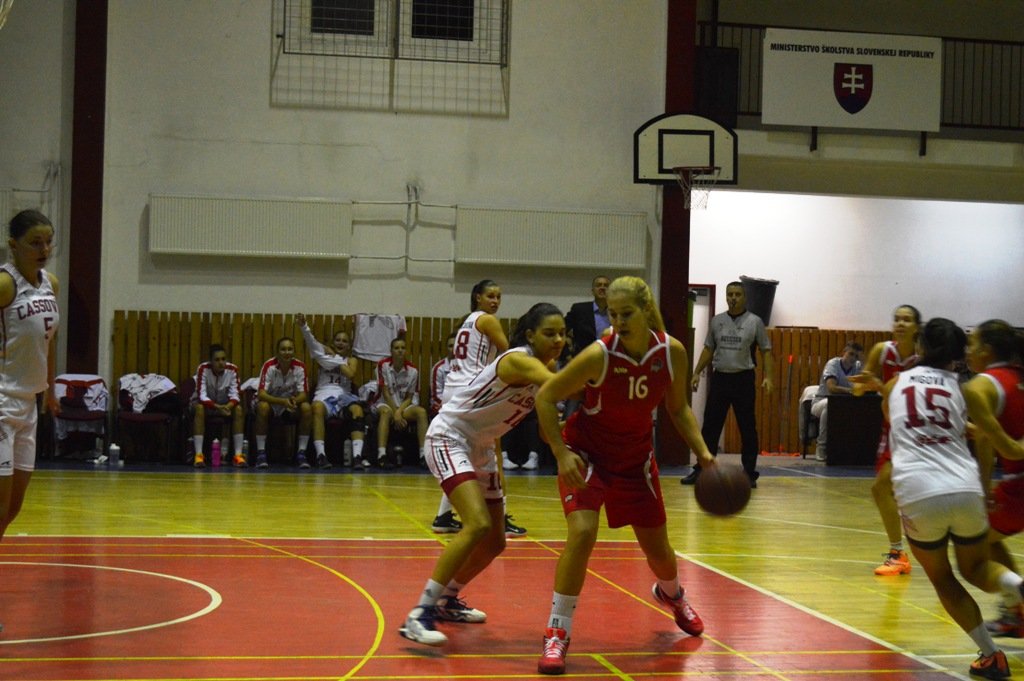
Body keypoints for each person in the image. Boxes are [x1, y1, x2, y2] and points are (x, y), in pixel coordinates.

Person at [533, 276, 716, 676]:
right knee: (582, 533)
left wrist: (703, 454)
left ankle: (672, 595)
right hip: (588, 453)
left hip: (634, 459)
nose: (618, 321)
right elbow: (546, 397)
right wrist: (561, 454)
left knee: (659, 552)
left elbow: (679, 408)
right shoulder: (600, 353)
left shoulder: (672, 352)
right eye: (612, 314)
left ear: (647, 310)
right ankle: (557, 632)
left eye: (626, 313)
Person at [398, 303, 566, 647]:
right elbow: (562, 385)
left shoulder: (545, 371)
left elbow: (550, 434)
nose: (559, 339)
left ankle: (447, 599)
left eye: (563, 333)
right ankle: (419, 613)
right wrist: (606, 371)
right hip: (451, 435)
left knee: (495, 542)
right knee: (476, 524)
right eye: (550, 333)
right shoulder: (519, 360)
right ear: (530, 335)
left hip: (482, 446)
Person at [882, 317, 1024, 679]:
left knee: (944, 578)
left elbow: (896, 421)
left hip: (918, 489)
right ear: (960, 356)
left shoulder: (894, 384)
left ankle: (991, 656)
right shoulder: (965, 389)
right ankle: (1016, 586)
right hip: (964, 485)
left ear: (920, 348)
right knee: (976, 568)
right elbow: (977, 434)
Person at [430, 280, 526, 538]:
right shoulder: (487, 320)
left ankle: (443, 515)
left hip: (455, 387)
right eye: (490, 296)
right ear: (477, 298)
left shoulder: (467, 321)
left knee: (466, 455)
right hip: (470, 390)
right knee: (491, 451)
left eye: (498, 297)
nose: (495, 301)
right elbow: (509, 352)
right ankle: (501, 517)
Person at [960, 320, 1024, 637]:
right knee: (989, 536)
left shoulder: (983, 385)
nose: (968, 350)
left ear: (987, 350)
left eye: (972, 344)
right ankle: (1015, 609)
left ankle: (1016, 603)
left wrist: (983, 488)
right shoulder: (1018, 377)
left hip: (1019, 482)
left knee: (974, 549)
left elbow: (992, 443)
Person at [0, 210, 60, 548]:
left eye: (48, 241)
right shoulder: (6, 283)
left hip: (30, 404)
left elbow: (47, 338)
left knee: (13, 508)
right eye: (35, 242)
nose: (44, 248)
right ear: (14, 245)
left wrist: (49, 387)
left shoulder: (50, 284)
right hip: (2, 400)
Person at [851, 304, 921, 576]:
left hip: (922, 429)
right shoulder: (883, 350)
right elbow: (858, 389)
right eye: (897, 319)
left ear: (917, 327)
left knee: (919, 493)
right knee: (881, 488)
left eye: (907, 320)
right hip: (894, 427)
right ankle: (897, 553)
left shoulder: (924, 355)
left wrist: (880, 387)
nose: (901, 324)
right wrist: (864, 385)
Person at [684, 281, 773, 488]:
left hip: (743, 378)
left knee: (747, 427)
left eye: (737, 294)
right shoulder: (717, 321)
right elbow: (708, 349)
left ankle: (749, 472)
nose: (733, 298)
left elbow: (766, 351)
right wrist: (696, 372)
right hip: (720, 378)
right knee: (710, 427)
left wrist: (769, 377)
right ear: (726, 297)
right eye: (730, 294)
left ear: (744, 298)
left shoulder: (755, 322)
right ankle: (702, 469)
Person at [297, 314, 366, 469]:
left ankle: (357, 457)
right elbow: (311, 342)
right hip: (323, 395)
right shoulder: (322, 355)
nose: (341, 343)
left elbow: (351, 373)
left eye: (344, 341)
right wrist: (304, 327)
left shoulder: (351, 360)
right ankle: (321, 455)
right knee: (317, 407)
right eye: (338, 340)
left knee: (357, 410)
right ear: (333, 342)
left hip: (343, 397)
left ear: (349, 346)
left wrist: (335, 359)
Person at [253, 337, 312, 469]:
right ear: (277, 352)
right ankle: (261, 453)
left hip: (290, 404)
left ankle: (301, 453)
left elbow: (303, 394)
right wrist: (282, 401)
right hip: (272, 402)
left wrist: (293, 401)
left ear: (294, 352)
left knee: (307, 407)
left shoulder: (300, 366)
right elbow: (262, 394)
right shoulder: (269, 365)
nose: (287, 352)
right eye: (283, 349)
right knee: (262, 407)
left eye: (290, 349)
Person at [372, 337, 428, 468]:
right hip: (385, 402)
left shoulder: (413, 370)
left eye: (403, 348)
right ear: (391, 351)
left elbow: (409, 397)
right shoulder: (383, 365)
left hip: (404, 405)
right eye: (396, 348)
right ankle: (381, 455)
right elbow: (385, 393)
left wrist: (399, 412)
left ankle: (423, 455)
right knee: (386, 413)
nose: (400, 351)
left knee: (422, 412)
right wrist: (395, 412)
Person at [191, 344, 246, 468]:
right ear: (210, 361)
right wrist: (217, 407)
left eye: (223, 359)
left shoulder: (232, 370)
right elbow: (202, 396)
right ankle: (199, 455)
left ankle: (238, 455)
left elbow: (235, 395)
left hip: (225, 406)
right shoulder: (203, 369)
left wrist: (228, 406)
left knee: (238, 409)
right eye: (217, 360)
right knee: (199, 408)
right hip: (205, 405)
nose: (221, 363)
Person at [810, 341, 863, 462]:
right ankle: (821, 447)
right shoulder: (833, 364)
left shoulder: (857, 366)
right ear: (843, 353)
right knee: (830, 406)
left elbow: (862, 386)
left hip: (845, 404)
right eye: (851, 354)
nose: (853, 358)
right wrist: (851, 391)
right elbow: (832, 388)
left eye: (856, 356)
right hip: (821, 402)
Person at [564, 274, 610, 358]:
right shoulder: (579, 310)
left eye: (606, 285)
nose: (602, 288)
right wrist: (567, 354)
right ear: (593, 291)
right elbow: (561, 331)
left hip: (609, 358)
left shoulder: (616, 312)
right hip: (583, 359)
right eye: (599, 285)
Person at [429, 333, 457, 418]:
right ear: (446, 348)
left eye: (456, 346)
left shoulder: (466, 367)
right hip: (441, 405)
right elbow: (436, 396)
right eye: (450, 346)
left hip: (460, 405)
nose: (453, 349)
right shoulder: (438, 368)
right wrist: (451, 407)